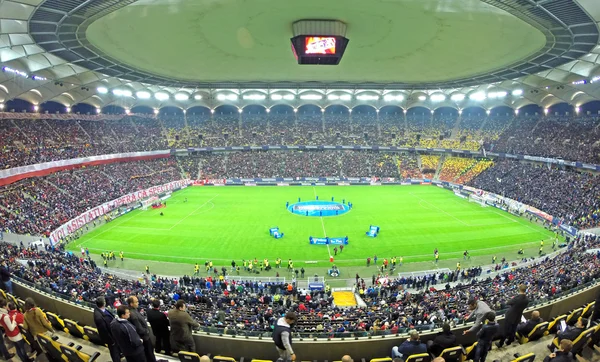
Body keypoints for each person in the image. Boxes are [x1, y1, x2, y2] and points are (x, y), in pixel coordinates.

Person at [127, 296, 156, 362]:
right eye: (136, 302)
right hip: (144, 338)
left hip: (144, 337)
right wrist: (147, 331)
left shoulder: (134, 311)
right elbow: (139, 329)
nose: (138, 303)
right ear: (131, 304)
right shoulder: (133, 314)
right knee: (149, 355)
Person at [93, 297, 121, 362]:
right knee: (114, 352)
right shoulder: (99, 317)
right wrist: (111, 341)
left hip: (114, 334)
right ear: (104, 303)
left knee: (117, 350)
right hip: (111, 338)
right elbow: (104, 331)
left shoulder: (101, 310)